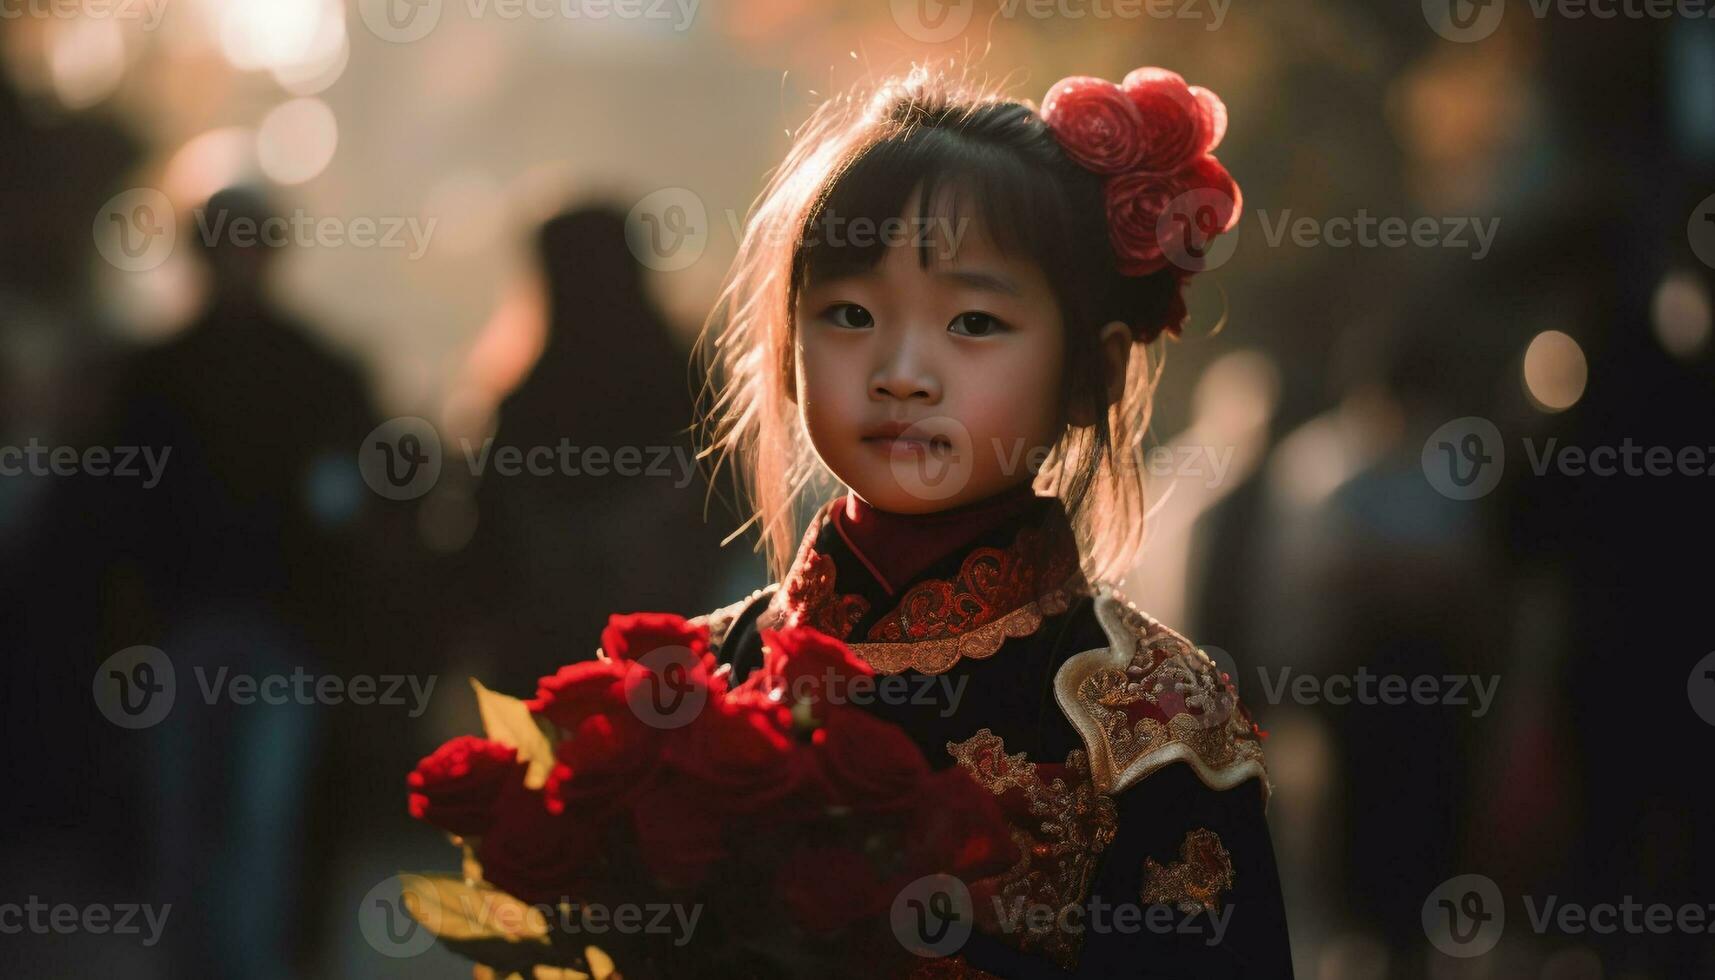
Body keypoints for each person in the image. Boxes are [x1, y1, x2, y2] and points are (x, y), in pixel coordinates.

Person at [683, 65, 1294, 977]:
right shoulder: (692, 682)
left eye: (971, 321)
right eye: (848, 314)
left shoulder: (1154, 716)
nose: (899, 371)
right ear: (787, 349)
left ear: (1095, 375)